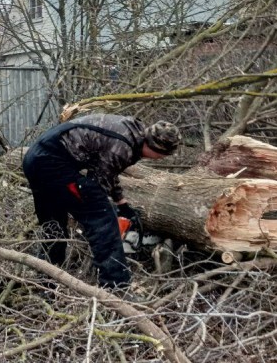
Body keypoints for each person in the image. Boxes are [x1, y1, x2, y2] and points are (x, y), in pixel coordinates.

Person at [22, 113, 181, 289]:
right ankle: (116, 287)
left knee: (53, 224)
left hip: (36, 159)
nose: (159, 159)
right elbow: (99, 184)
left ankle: (46, 281)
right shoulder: (123, 146)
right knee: (103, 221)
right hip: (52, 164)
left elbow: (108, 170)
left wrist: (122, 204)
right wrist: (109, 212)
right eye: (161, 156)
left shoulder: (132, 132)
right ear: (154, 146)